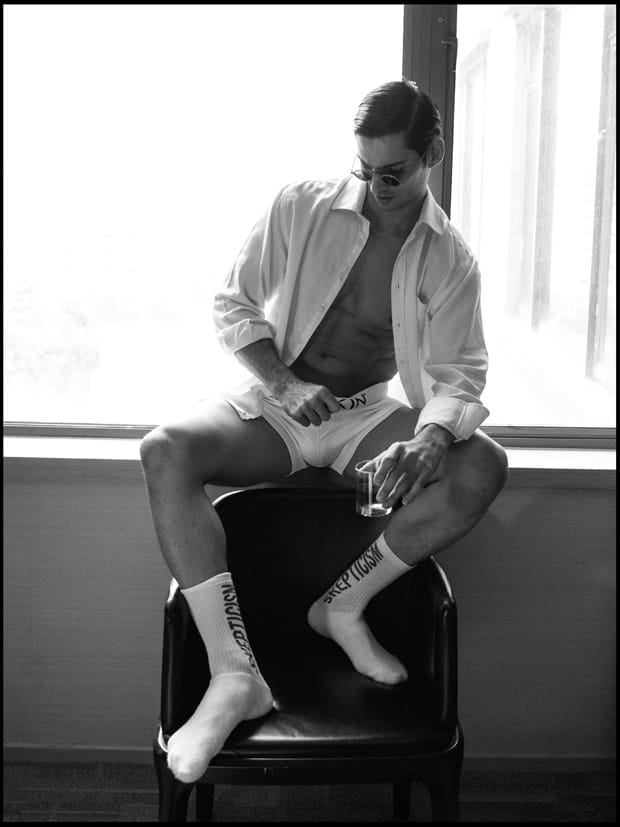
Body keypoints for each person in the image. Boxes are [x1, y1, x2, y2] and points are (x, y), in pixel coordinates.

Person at [140, 78, 508, 784]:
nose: (375, 187)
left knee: (482, 464)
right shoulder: (301, 204)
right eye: (363, 169)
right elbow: (233, 303)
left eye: (393, 172)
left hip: (364, 414)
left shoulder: (451, 258)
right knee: (165, 450)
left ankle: (342, 605)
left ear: (433, 154)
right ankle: (235, 674)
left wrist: (429, 437)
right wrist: (284, 383)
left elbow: (460, 373)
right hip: (278, 404)